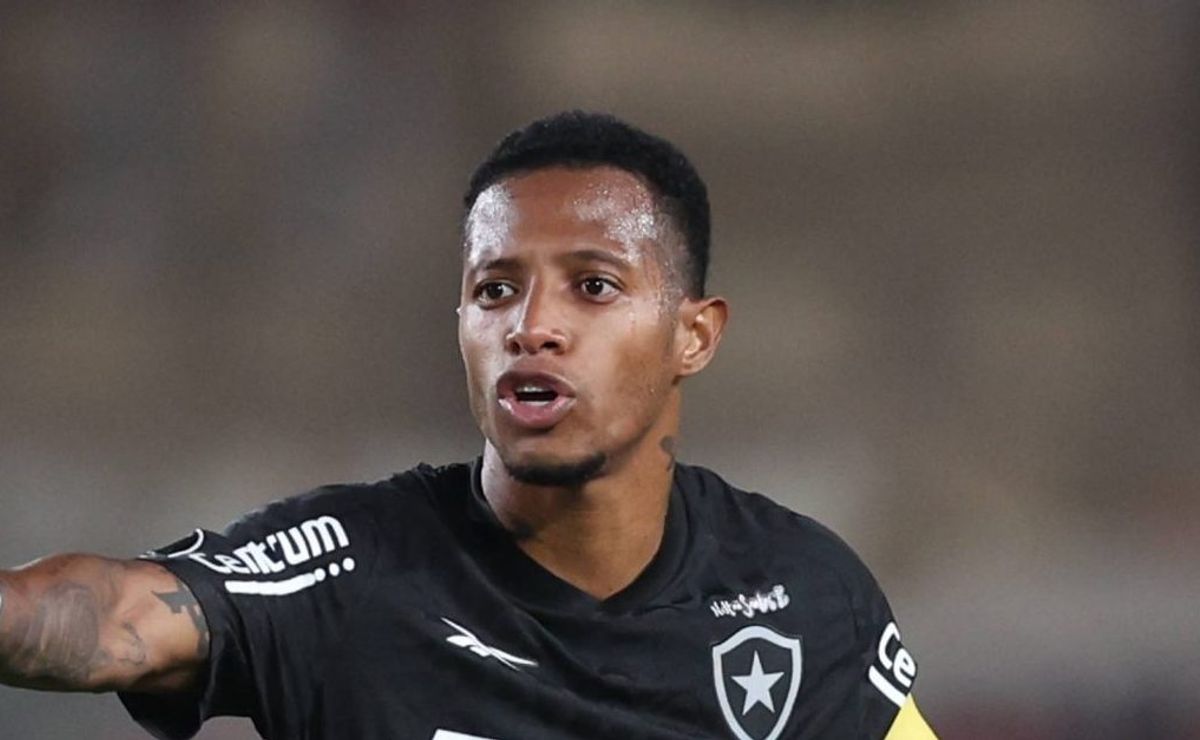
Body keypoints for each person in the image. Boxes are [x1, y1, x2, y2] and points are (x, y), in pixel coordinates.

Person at [0, 111, 936, 739]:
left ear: (693, 335)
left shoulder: (804, 596)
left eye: (593, 285)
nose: (531, 325)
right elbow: (111, 614)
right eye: (494, 290)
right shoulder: (357, 575)